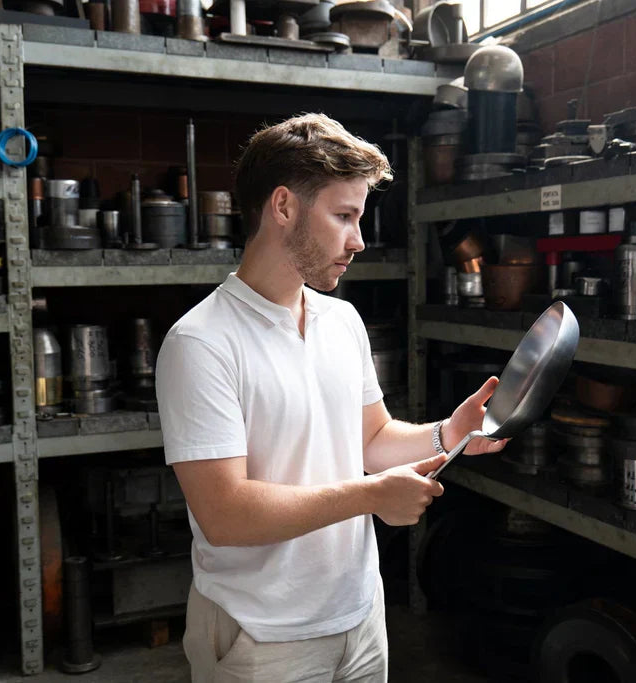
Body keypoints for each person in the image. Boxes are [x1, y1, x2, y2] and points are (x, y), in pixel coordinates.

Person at [157, 113, 507, 682]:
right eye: (343, 216)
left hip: (360, 617)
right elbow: (223, 514)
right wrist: (371, 496)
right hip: (262, 637)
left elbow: (372, 438)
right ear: (284, 206)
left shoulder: (342, 321)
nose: (358, 240)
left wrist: (449, 432)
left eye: (358, 218)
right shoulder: (201, 342)